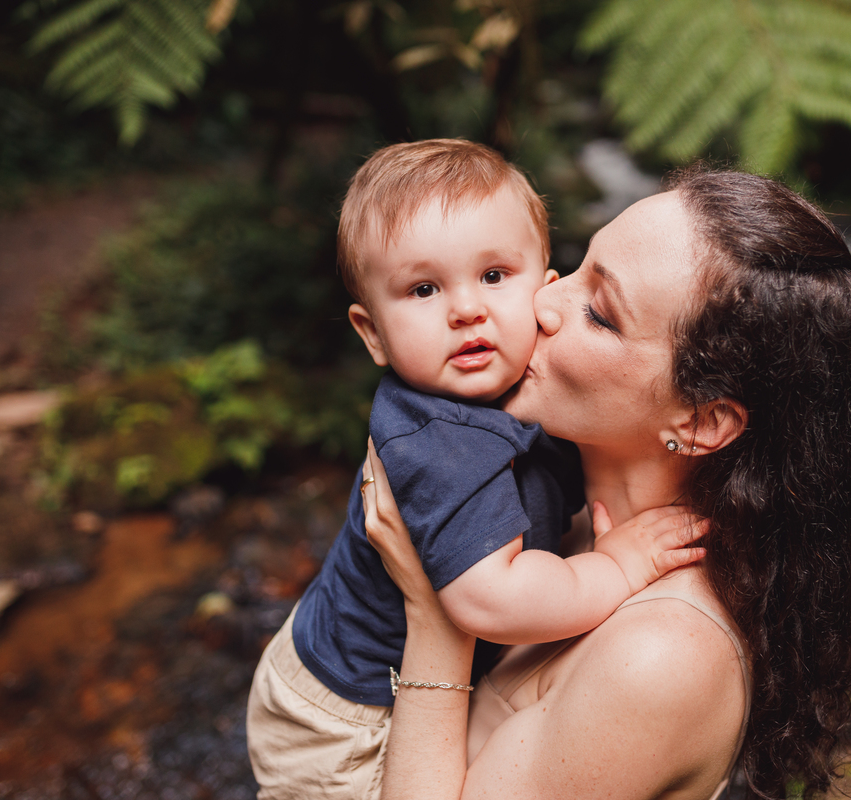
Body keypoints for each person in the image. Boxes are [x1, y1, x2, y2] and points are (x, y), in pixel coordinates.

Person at [360, 167, 851, 800]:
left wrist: (434, 619)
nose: (540, 302)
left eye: (598, 313)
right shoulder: (547, 504)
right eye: (576, 266)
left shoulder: (662, 655)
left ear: (701, 421)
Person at [246, 140, 703, 800]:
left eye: (494, 276)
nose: (466, 309)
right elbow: (489, 598)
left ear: (544, 292)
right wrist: (618, 568)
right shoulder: (438, 438)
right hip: (342, 714)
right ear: (371, 332)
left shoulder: (523, 390)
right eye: (424, 289)